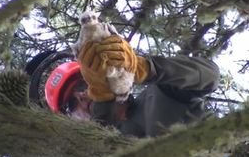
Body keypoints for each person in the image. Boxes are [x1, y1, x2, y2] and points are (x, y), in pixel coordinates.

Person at [45, 35, 220, 137]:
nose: (82, 95)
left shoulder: (160, 93)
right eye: (71, 104)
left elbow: (209, 76)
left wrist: (143, 69)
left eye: (82, 85)